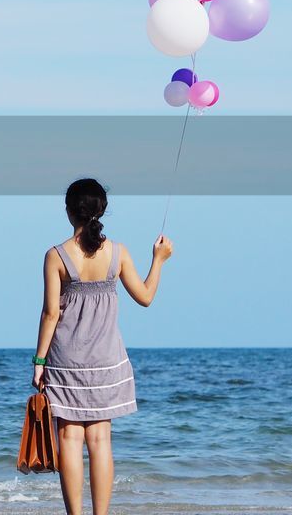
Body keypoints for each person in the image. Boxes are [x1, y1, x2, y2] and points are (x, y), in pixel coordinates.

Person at [31, 178, 172, 515]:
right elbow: (146, 297)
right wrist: (160, 260)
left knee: (69, 440)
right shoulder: (118, 253)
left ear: (69, 212)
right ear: (101, 211)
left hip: (66, 360)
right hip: (107, 360)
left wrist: (38, 360)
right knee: (100, 441)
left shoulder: (56, 256)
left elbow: (51, 313)